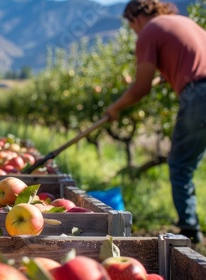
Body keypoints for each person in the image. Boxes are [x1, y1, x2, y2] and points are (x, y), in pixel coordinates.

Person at [105, 0, 206, 244]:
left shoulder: (149, 31)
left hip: (200, 94)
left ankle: (190, 231)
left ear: (135, 19)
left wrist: (115, 108)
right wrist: (166, 76)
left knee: (180, 165)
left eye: (132, 27)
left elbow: (140, 88)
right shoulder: (186, 23)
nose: (135, 32)